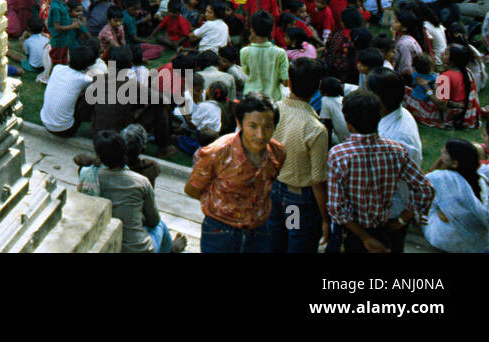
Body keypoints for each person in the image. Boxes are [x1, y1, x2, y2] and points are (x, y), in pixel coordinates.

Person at [327, 88, 435, 254]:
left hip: (352, 233)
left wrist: (365, 238)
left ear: (348, 122)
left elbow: (337, 208)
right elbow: (425, 188)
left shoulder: (339, 155)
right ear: (379, 117)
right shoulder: (397, 150)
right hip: (385, 229)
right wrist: (404, 217)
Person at [185, 92, 285, 253]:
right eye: (252, 126)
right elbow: (192, 189)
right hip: (220, 232)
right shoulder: (217, 153)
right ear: (239, 123)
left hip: (261, 231)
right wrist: (221, 204)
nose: (260, 135)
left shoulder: (278, 152)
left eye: (267, 126)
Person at [269, 57, 330, 252]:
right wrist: (325, 218)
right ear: (318, 86)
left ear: (290, 80)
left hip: (273, 190)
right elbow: (318, 179)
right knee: (296, 242)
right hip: (295, 200)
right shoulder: (315, 128)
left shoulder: (273, 109)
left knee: (275, 241)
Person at [87, 129, 179, 253]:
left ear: (98, 156)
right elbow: (153, 221)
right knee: (160, 225)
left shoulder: (90, 177)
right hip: (138, 249)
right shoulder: (141, 181)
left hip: (107, 244)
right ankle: (170, 249)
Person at [423, 139, 489, 252]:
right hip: (479, 241)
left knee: (424, 202)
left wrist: (437, 163)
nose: (441, 151)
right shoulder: (480, 179)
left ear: (455, 163)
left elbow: (421, 184)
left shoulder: (439, 177)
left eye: (445, 152)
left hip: (445, 239)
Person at [39, 42, 97, 137]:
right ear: (87, 66)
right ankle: (91, 121)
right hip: (65, 130)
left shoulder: (57, 68)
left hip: (44, 120)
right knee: (90, 95)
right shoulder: (84, 79)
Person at [239, 11, 288, 100]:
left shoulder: (244, 51)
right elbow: (285, 81)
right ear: (271, 30)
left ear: (252, 29)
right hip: (273, 99)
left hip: (250, 97)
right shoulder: (280, 53)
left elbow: (246, 72)